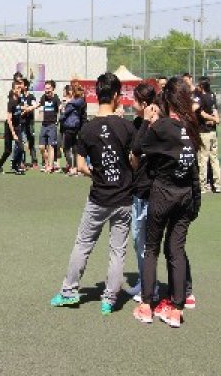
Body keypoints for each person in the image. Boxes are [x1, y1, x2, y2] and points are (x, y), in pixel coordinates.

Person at [50, 73, 137, 315]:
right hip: (124, 198)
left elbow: (80, 166)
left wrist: (97, 174)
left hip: (99, 197)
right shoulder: (127, 127)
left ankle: (69, 291)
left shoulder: (87, 129)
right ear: (117, 96)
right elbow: (134, 161)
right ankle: (109, 299)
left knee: (83, 244)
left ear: (96, 96)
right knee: (117, 250)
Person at [132, 77, 201, 328]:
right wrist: (196, 202)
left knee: (152, 248)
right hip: (185, 195)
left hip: (162, 194)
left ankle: (146, 305)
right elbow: (194, 170)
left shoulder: (162, 127)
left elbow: (137, 148)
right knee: (176, 249)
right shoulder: (191, 127)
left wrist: (147, 122)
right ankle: (176, 308)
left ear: (167, 99)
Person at [126, 82, 157, 300]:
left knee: (149, 241)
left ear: (144, 104)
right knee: (139, 239)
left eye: (135, 100)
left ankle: (151, 288)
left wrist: (148, 122)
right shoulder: (136, 123)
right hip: (138, 188)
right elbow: (134, 156)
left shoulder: (158, 125)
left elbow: (137, 152)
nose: (131, 103)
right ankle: (145, 281)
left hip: (153, 190)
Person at [196, 77, 221, 193]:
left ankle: (202, 186)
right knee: (214, 159)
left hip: (204, 132)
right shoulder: (212, 95)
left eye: (198, 85)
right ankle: (217, 185)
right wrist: (216, 119)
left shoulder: (201, 97)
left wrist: (213, 119)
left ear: (202, 86)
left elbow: (201, 113)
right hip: (213, 132)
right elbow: (215, 110)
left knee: (203, 159)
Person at [30, 80, 60, 172]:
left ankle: (50, 166)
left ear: (53, 89)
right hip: (44, 125)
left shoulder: (56, 98)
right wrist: (29, 108)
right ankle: (46, 163)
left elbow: (60, 108)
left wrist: (58, 119)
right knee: (41, 147)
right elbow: (38, 105)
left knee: (51, 146)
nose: (46, 90)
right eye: (45, 88)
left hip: (52, 125)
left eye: (48, 88)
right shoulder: (44, 97)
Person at [0, 81, 25, 175]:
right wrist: (13, 133)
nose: (19, 90)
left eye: (20, 88)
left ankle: (15, 166)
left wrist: (32, 107)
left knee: (21, 148)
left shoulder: (19, 100)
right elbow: (9, 119)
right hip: (9, 127)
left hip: (17, 126)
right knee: (8, 151)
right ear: (13, 90)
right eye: (17, 88)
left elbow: (21, 109)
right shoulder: (11, 102)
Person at [59, 82, 87, 176]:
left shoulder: (76, 101)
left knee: (67, 148)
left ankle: (73, 167)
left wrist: (62, 112)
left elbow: (65, 114)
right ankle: (75, 167)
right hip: (76, 127)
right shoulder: (78, 101)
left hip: (71, 127)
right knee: (74, 148)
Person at [20, 79, 38, 168]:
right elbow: (16, 106)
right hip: (21, 123)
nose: (20, 85)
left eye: (21, 84)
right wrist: (24, 107)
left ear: (26, 86)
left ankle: (34, 161)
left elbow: (35, 105)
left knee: (31, 142)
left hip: (29, 123)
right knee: (22, 142)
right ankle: (22, 162)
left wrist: (29, 108)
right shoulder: (19, 96)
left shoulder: (31, 97)